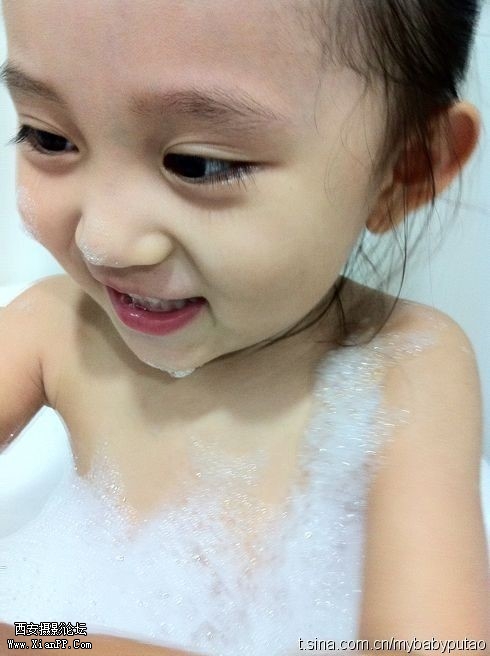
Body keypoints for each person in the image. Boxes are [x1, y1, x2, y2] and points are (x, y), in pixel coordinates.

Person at [0, 1, 488, 654]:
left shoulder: (404, 367)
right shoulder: (54, 326)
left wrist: (41, 642)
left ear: (405, 170)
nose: (103, 241)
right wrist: (43, 637)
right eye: (48, 138)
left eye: (197, 164)